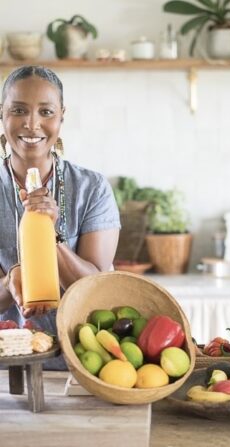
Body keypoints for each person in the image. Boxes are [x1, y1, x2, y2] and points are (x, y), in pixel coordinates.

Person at [0, 66, 121, 369]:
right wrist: (11, 283)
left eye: (46, 111)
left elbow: (95, 290)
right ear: (2, 114)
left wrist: (48, 236)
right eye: (18, 110)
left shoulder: (92, 188)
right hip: (4, 373)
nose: (32, 124)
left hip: (83, 366)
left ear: (61, 117)